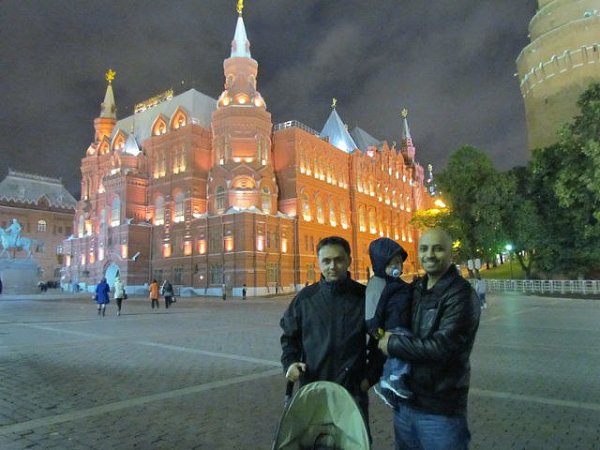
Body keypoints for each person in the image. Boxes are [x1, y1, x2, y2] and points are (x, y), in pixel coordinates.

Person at [378, 228, 480, 450]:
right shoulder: (416, 288)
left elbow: (442, 348)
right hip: (406, 405)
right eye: (424, 249)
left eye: (438, 249)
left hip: (440, 411)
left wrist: (392, 344)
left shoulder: (460, 294)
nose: (430, 255)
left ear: (450, 254)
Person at [280, 236, 383, 435]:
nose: (332, 266)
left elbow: (378, 342)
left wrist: (369, 378)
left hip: (352, 391)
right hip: (313, 389)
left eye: (338, 260)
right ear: (318, 262)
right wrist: (290, 363)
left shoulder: (364, 296)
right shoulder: (305, 299)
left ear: (349, 260)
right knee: (314, 441)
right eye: (326, 261)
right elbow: (289, 337)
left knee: (354, 441)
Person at [365, 237, 412, 406]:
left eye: (399, 263)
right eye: (392, 263)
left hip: (401, 325)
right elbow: (372, 310)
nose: (397, 267)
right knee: (401, 351)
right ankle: (393, 379)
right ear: (381, 264)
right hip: (390, 329)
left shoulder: (396, 283)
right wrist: (375, 329)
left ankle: (388, 383)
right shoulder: (378, 284)